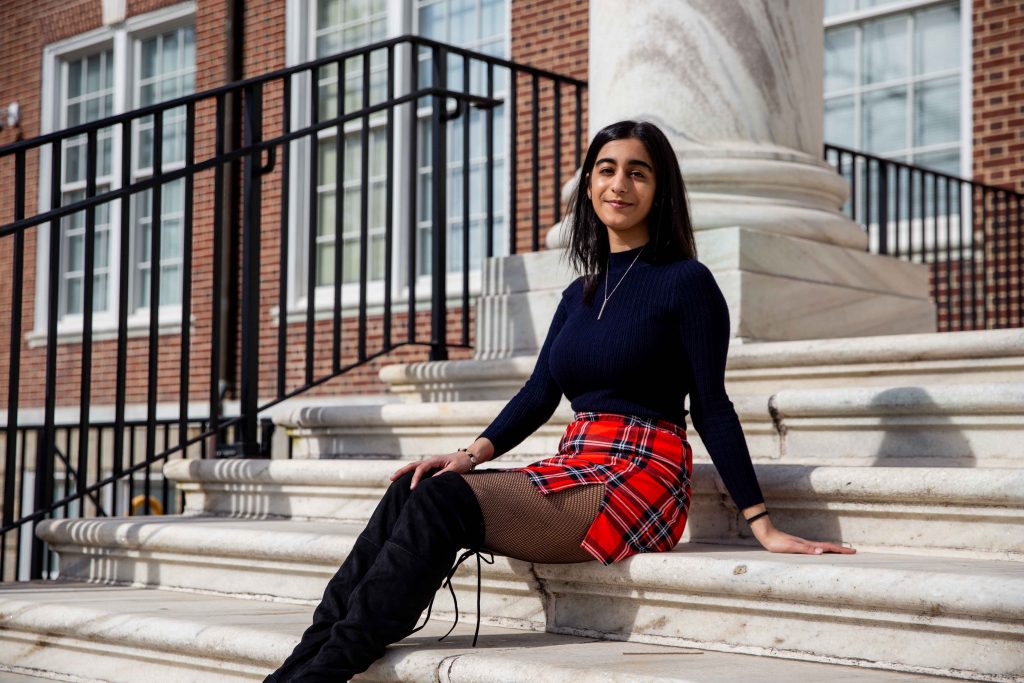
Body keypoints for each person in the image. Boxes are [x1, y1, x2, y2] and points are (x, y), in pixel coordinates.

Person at [266, 120, 855, 682]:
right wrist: (468, 455)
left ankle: (324, 669)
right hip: (579, 461)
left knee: (442, 505)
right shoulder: (580, 292)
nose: (619, 184)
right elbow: (540, 390)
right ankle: (307, 656)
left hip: (642, 472)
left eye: (638, 172)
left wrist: (762, 523)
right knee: (415, 485)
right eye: (606, 169)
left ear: (660, 189)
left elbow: (713, 406)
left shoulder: (686, 281)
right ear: (590, 183)